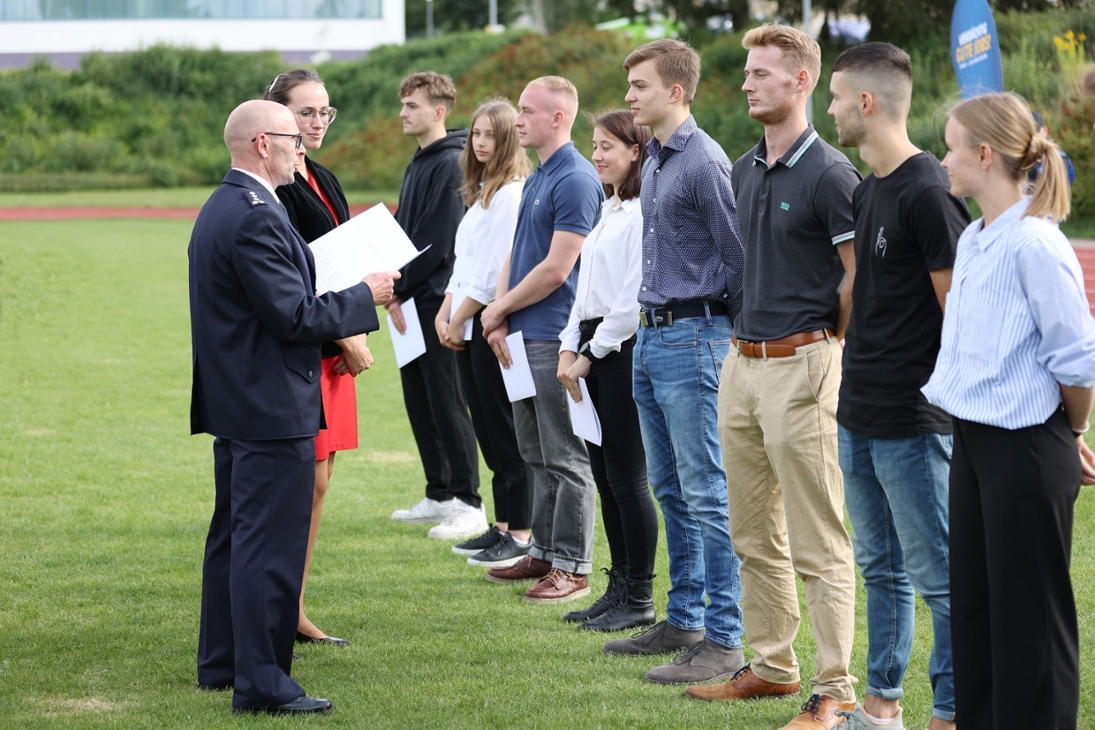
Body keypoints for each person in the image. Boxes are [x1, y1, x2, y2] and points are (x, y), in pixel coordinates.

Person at [190, 99, 397, 714]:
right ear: (261, 143)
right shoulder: (253, 214)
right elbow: (294, 317)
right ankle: (264, 684)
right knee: (266, 549)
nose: (301, 147)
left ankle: (223, 662)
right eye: (290, 138)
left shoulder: (230, 204)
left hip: (242, 399)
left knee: (234, 537)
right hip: (268, 403)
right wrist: (366, 294)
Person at [687, 25, 860, 729]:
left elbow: (857, 281)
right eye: (747, 73)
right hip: (742, 363)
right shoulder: (743, 167)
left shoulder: (832, 174)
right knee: (751, 532)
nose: (746, 84)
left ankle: (836, 688)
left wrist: (821, 350)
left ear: (800, 81)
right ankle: (770, 666)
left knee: (818, 538)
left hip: (803, 364)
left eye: (761, 73)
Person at [923, 91, 1095, 730]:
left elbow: (1076, 361)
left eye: (950, 146)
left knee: (1031, 619)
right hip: (973, 442)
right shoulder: (974, 236)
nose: (943, 159)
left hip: (1026, 446)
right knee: (978, 610)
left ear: (985, 154)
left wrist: (1069, 433)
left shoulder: (1036, 245)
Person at [825, 43, 970, 730]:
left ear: (865, 101)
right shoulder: (865, 188)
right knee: (879, 571)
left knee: (939, 578)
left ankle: (949, 712)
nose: (827, 109)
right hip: (855, 412)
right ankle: (880, 709)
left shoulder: (928, 192)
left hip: (913, 422)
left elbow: (960, 317)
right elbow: (861, 290)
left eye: (832, 96)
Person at [601, 39, 747, 686]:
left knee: (707, 494)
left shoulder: (703, 162)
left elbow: (738, 260)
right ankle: (683, 619)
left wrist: (734, 349)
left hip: (694, 340)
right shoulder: (656, 159)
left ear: (675, 92)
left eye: (638, 86)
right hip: (651, 338)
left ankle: (725, 638)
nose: (629, 96)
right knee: (669, 489)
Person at [479, 76, 603, 603]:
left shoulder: (575, 177)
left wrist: (499, 308)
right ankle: (546, 552)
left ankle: (573, 567)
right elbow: (517, 252)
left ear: (558, 118)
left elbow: (557, 269)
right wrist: (500, 316)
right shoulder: (537, 176)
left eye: (528, 111)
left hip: (553, 335)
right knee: (534, 451)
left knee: (565, 455)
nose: (519, 119)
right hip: (522, 333)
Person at [262, 68, 369, 648]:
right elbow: (298, 275)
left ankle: (294, 603)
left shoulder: (321, 173)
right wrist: (349, 336)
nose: (318, 122)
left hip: (333, 340)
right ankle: (283, 607)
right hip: (311, 343)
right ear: (276, 115)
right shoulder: (274, 183)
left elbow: (340, 256)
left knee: (321, 479)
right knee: (304, 479)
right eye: (307, 113)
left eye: (325, 112)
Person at [556, 109, 658, 631]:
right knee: (603, 473)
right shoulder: (609, 208)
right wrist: (566, 346)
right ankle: (617, 586)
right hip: (589, 348)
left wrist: (590, 354)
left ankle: (639, 595)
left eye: (608, 147)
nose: (596, 155)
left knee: (627, 475)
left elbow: (629, 297)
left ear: (636, 151)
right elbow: (584, 291)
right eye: (593, 146)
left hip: (619, 350)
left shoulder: (643, 212)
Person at [432, 97, 534, 566]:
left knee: (505, 431)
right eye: (476, 134)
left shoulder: (512, 192)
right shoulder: (483, 192)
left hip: (491, 322)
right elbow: (463, 264)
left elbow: (494, 269)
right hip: (468, 320)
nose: (480, 143)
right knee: (488, 432)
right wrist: (446, 310)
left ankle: (521, 532)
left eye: (491, 135)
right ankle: (500, 527)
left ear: (510, 138)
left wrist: (457, 317)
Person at [387, 72, 485, 540]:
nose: (403, 113)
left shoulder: (450, 163)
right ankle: (439, 491)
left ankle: (468, 501)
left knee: (447, 401)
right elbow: (404, 233)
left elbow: (439, 243)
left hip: (438, 303)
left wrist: (398, 285)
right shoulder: (419, 161)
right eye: (403, 104)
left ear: (438, 110)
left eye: (412, 105)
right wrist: (394, 288)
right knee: (419, 400)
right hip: (409, 299)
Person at [1028, 110, 1075, 186]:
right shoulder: (1018, 160)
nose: (1032, 137)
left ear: (1045, 131)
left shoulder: (1059, 158)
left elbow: (1059, 189)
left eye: (1035, 131)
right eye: (1028, 132)